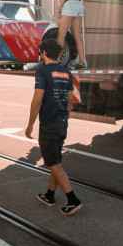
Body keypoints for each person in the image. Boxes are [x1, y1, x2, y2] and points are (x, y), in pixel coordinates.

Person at [26, 38, 82, 216]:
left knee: (53, 163)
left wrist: (29, 125)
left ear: (42, 53)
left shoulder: (42, 72)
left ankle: (72, 199)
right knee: (55, 160)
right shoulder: (66, 73)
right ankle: (49, 195)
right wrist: (65, 118)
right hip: (62, 122)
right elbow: (70, 101)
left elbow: (37, 101)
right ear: (59, 54)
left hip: (49, 123)